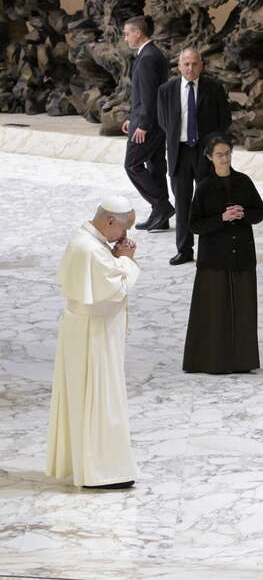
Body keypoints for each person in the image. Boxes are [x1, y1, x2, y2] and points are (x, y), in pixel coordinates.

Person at [47, 196, 140, 489]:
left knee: (87, 397)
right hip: (94, 333)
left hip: (86, 329)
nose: (125, 235)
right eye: (124, 228)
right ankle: (102, 472)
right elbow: (117, 289)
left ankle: (91, 467)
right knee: (100, 398)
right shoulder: (90, 249)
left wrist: (117, 256)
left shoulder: (87, 240)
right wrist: (127, 259)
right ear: (110, 220)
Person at [183, 134, 263, 374]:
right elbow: (194, 225)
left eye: (228, 153)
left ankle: (242, 362)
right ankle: (212, 361)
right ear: (210, 157)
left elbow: (260, 212)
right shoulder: (204, 187)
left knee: (243, 310)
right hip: (214, 259)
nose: (225, 158)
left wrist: (243, 213)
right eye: (219, 155)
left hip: (242, 257)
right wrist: (221, 218)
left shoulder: (244, 181)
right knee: (214, 312)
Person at [157, 48, 232, 265]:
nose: (190, 68)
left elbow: (224, 120)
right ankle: (184, 250)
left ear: (201, 65)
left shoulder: (214, 88)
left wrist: (213, 146)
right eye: (186, 64)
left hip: (205, 153)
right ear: (179, 66)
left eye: (194, 64)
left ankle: (212, 249)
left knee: (209, 201)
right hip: (179, 153)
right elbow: (163, 121)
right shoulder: (166, 90)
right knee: (182, 204)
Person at [121, 16, 172, 232]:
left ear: (138, 32)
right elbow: (144, 94)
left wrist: (142, 124)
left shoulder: (148, 57)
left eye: (127, 34)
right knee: (155, 165)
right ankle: (160, 216)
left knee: (132, 165)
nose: (125, 39)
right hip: (153, 122)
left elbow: (150, 96)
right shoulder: (151, 54)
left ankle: (162, 206)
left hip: (148, 125)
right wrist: (133, 117)